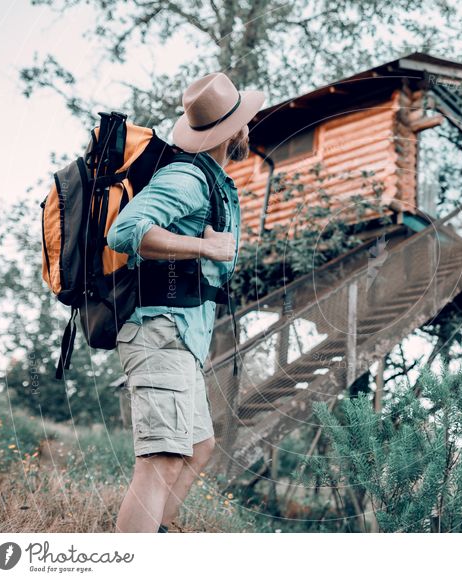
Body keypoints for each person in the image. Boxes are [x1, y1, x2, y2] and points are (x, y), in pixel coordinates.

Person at [107, 72, 265, 533]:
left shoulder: (212, 182)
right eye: (245, 122)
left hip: (180, 339)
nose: (248, 129)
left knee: (198, 447)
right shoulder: (188, 178)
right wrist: (205, 248)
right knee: (160, 461)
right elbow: (123, 232)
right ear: (232, 130)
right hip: (160, 332)